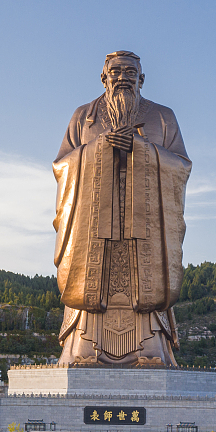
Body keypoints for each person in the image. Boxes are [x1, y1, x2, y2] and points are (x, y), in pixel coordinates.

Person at [51, 51, 191, 366]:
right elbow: (62, 166)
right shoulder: (83, 116)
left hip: (144, 230)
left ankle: (151, 349)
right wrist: (99, 149)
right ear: (104, 77)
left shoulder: (162, 117)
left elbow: (181, 166)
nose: (123, 77)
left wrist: (140, 149)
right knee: (91, 282)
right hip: (94, 228)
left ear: (142, 79)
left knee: (145, 286)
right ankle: (82, 349)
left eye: (131, 71)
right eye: (116, 71)